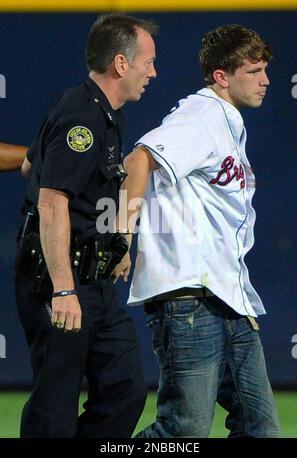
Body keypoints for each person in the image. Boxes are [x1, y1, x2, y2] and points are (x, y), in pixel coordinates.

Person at [115, 24, 280, 437]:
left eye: (265, 70)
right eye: (254, 71)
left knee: (259, 428)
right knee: (183, 432)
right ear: (221, 77)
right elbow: (138, 160)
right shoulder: (202, 115)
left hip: (228, 297)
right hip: (191, 298)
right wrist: (121, 237)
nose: (266, 80)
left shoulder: (227, 122)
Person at [14, 13, 157, 438]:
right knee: (54, 405)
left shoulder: (103, 113)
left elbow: (29, 167)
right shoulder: (84, 120)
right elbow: (52, 204)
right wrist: (63, 289)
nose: (153, 72)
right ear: (120, 63)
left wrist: (118, 240)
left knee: (125, 388)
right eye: (147, 61)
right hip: (59, 281)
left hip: (94, 282)